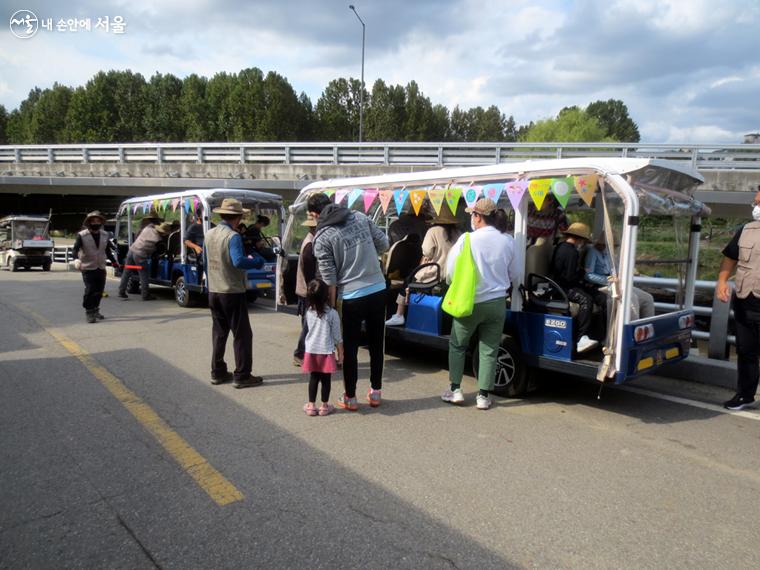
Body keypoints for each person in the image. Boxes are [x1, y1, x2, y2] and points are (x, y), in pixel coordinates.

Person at [308, 192, 389, 411]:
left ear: (315, 214)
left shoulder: (322, 237)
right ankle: (376, 392)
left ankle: (350, 397)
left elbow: (330, 279)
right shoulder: (360, 217)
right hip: (378, 289)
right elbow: (384, 244)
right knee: (376, 344)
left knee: (350, 348)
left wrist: (331, 308)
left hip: (351, 296)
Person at [443, 198, 519, 410]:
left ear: (478, 217)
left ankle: (456, 390)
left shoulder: (467, 239)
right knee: (489, 349)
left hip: (470, 301)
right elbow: (516, 274)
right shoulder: (508, 241)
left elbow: (450, 272)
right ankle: (483, 396)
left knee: (458, 345)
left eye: (472, 215)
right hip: (496, 303)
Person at [205, 198, 266, 389]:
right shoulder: (233, 237)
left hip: (214, 289)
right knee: (242, 335)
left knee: (219, 333)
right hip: (231, 290)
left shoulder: (210, 233)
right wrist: (257, 261)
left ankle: (218, 371)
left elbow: (205, 260)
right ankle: (242, 375)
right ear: (238, 218)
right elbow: (238, 261)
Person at [716, 190, 760, 410]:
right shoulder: (745, 230)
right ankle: (745, 394)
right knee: (746, 350)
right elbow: (730, 258)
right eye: (755, 201)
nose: (756, 206)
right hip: (745, 299)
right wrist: (722, 281)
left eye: (759, 202)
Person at [386, 206, 462, 326]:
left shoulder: (433, 231)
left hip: (434, 273)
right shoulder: (458, 233)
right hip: (452, 274)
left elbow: (426, 252)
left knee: (407, 281)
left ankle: (399, 314)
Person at [550, 222, 605, 353]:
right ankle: (581, 337)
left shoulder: (560, 247)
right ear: (580, 239)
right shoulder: (572, 251)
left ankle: (593, 335)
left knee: (592, 295)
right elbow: (569, 277)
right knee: (586, 299)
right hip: (563, 287)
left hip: (559, 284)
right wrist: (582, 273)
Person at [584, 235, 655, 320]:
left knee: (647, 298)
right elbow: (588, 275)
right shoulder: (593, 252)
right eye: (613, 245)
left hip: (616, 283)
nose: (614, 247)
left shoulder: (609, 254)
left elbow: (616, 268)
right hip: (602, 285)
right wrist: (607, 280)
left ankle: (647, 326)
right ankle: (631, 329)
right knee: (631, 297)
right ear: (604, 244)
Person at [301, 279, 344, 416]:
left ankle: (311, 406)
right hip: (326, 351)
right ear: (327, 295)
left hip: (312, 350)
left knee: (313, 378)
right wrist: (341, 355)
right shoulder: (332, 314)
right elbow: (337, 337)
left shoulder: (309, 312)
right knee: (326, 380)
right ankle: (324, 406)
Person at [72, 211, 120, 323]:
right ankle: (89, 312)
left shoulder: (105, 235)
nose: (96, 223)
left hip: (101, 266)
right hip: (87, 267)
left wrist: (114, 262)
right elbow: (75, 249)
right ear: (89, 223)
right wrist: (76, 259)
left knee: (99, 291)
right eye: (93, 221)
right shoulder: (82, 235)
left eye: (98, 221)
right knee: (90, 290)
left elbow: (107, 250)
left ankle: (95, 309)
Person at [117, 221, 172, 300]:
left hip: (131, 251)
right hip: (140, 255)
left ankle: (121, 292)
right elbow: (159, 252)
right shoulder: (158, 240)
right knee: (143, 274)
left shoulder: (148, 228)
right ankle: (145, 295)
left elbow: (151, 224)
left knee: (127, 272)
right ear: (163, 233)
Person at [293, 215, 318, 366]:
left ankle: (306, 354)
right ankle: (300, 353)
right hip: (308, 291)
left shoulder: (311, 241)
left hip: (307, 290)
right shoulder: (310, 245)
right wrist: (315, 292)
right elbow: (309, 274)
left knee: (310, 324)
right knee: (309, 324)